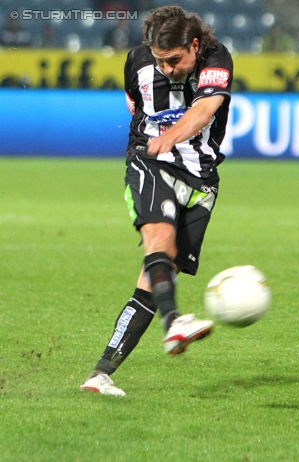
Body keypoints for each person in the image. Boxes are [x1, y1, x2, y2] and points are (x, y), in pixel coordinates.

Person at [80, 5, 234, 396]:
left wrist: (174, 134)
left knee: (153, 279)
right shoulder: (136, 61)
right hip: (149, 161)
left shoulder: (217, 59)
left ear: (194, 45)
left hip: (200, 176)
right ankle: (174, 323)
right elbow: (136, 108)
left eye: (175, 60)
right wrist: (158, 143)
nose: (166, 68)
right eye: (160, 60)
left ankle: (100, 373)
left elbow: (204, 109)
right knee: (158, 240)